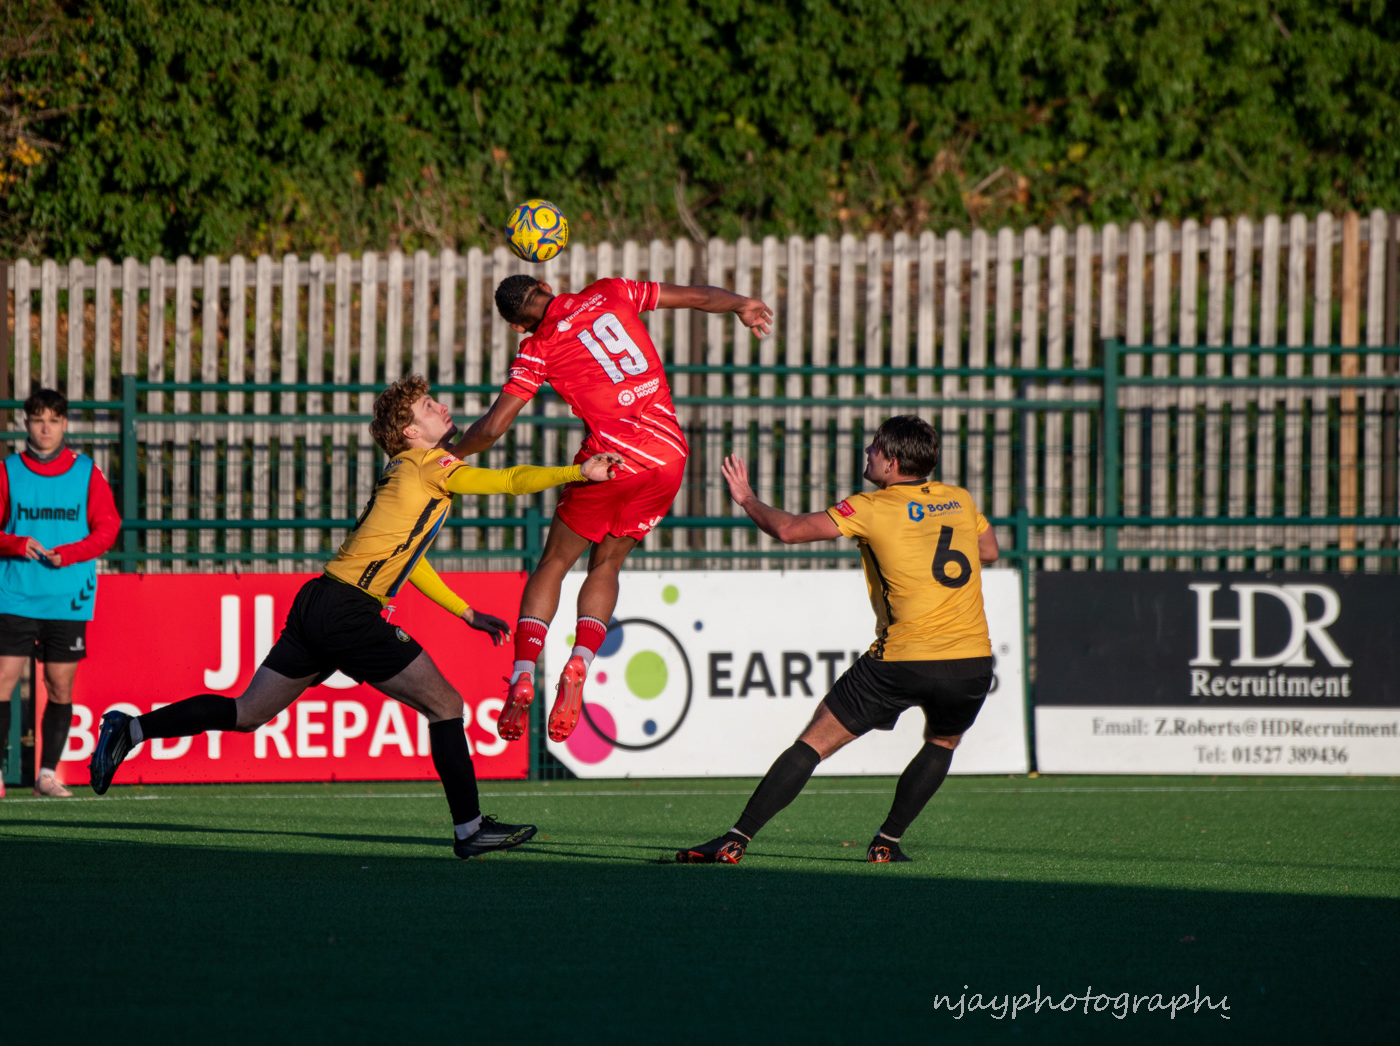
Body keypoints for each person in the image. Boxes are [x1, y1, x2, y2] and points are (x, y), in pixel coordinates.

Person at [88, 376, 624, 859]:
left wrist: (464, 612)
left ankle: (128, 728)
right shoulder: (429, 465)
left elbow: (410, 562)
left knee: (248, 713)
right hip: (347, 611)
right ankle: (469, 829)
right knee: (446, 705)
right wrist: (577, 471)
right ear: (411, 432)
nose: (441, 408)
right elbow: (506, 481)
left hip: (320, 601)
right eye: (429, 406)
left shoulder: (405, 471)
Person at [452, 273, 772, 744]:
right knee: (607, 565)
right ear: (546, 283)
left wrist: (452, 453)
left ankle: (523, 672)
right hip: (668, 457)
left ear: (517, 326)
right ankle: (580, 661)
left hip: (611, 459)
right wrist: (742, 303)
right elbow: (699, 296)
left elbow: (494, 426)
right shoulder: (611, 291)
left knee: (554, 562)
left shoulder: (537, 348)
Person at [676, 415, 999, 864]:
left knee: (813, 743)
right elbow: (989, 550)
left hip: (902, 659)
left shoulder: (871, 507)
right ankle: (887, 843)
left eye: (874, 448)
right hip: (972, 662)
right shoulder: (959, 499)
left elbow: (788, 530)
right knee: (942, 743)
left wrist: (747, 498)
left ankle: (736, 839)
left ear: (891, 462)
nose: (868, 452)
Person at [0, 388, 122, 798]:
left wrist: (70, 554)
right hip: (15, 594)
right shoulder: (6, 471)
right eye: (38, 419)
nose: (45, 428)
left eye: (53, 419)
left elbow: (108, 528)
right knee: (0, 678)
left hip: (68, 598)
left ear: (64, 424)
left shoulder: (87, 472)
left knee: (60, 685)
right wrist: (16, 543)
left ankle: (47, 774)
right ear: (27, 423)